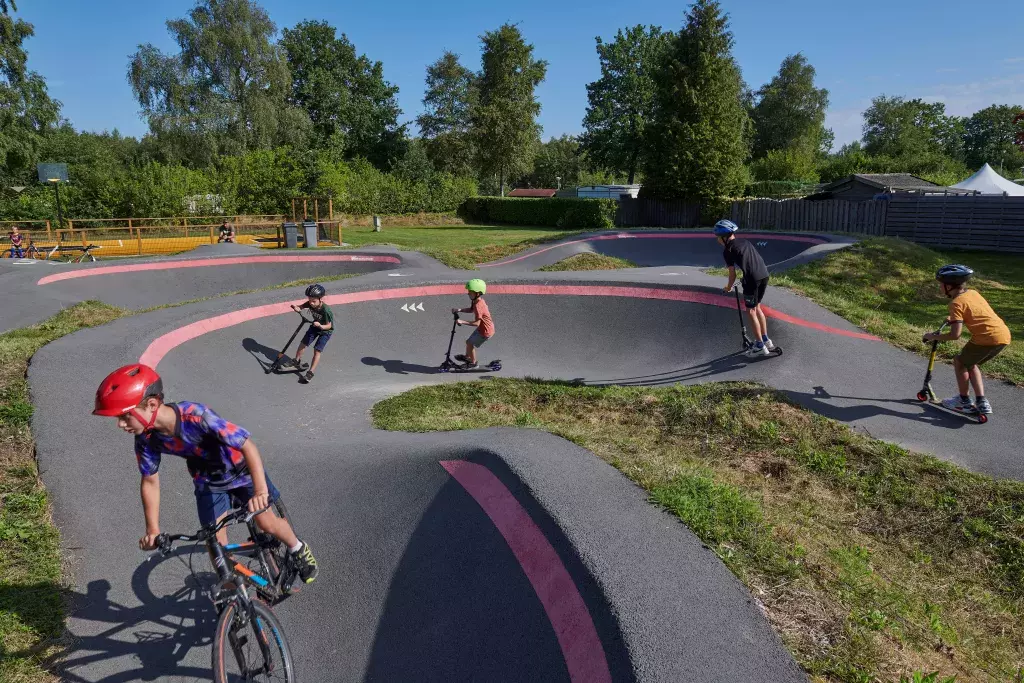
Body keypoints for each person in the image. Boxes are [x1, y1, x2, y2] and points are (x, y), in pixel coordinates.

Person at [92, 364, 319, 583]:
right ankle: (232, 597)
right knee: (216, 545)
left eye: (125, 416)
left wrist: (260, 491)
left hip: (241, 472)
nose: (121, 425)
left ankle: (298, 548)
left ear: (152, 404)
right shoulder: (145, 438)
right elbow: (150, 481)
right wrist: (153, 530)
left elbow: (247, 445)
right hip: (208, 481)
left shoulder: (196, 416)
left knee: (266, 522)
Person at [922, 264, 1011, 415]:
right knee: (970, 363)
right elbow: (975, 312)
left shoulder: (955, 303)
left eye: (941, 285)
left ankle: (963, 400)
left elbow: (955, 335)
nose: (940, 288)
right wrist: (955, 318)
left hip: (986, 338)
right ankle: (981, 401)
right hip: (1003, 335)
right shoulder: (973, 293)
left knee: (960, 362)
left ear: (949, 286)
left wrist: (932, 336)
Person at [713, 219, 775, 357]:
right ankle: (766, 340)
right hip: (764, 275)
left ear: (724, 237)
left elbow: (732, 273)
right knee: (757, 307)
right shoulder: (745, 242)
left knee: (751, 311)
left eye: (717, 237)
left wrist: (728, 287)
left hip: (752, 279)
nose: (717, 240)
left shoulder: (728, 250)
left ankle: (759, 346)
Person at [289, 283, 333, 383]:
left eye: (314, 301)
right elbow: (301, 306)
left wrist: (321, 326)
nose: (311, 303)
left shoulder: (326, 310)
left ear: (320, 299)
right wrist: (297, 308)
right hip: (315, 327)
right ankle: (296, 361)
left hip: (325, 331)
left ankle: (310, 373)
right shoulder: (310, 303)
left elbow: (329, 326)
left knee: (317, 351)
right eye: (310, 300)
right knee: (303, 343)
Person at [452, 279, 494, 369]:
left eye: (471, 292)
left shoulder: (479, 306)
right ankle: (468, 357)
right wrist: (459, 310)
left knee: (470, 344)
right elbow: (471, 309)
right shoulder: (476, 301)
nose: (468, 294)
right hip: (483, 328)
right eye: (469, 292)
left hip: (485, 331)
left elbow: (476, 323)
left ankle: (474, 363)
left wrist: (462, 321)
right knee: (468, 342)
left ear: (478, 293)